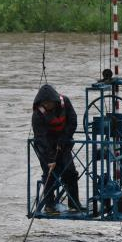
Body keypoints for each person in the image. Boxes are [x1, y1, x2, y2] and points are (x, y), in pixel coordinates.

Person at [32, 84, 80, 213]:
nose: (47, 106)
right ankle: (49, 205)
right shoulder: (38, 115)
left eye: (49, 103)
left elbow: (73, 121)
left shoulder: (66, 102)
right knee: (49, 174)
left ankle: (74, 204)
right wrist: (50, 158)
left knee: (70, 172)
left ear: (55, 101)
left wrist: (64, 138)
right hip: (45, 146)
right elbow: (41, 138)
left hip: (63, 143)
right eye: (44, 103)